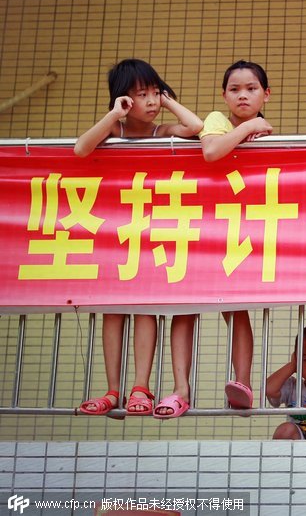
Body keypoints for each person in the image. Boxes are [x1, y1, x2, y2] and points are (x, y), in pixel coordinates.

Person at [75, 58, 203, 418]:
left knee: (145, 307)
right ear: (124, 100)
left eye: (154, 93)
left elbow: (195, 127)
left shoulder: (159, 132)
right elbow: (81, 148)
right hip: (117, 233)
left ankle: (140, 387)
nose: (150, 101)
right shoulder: (113, 134)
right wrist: (114, 115)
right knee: (113, 311)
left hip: (154, 234)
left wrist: (168, 101)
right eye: (141, 95)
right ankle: (112, 390)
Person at [196, 60, 274, 410]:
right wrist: (249, 129)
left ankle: (241, 382)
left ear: (266, 95)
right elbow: (211, 151)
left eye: (251, 88)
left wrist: (257, 130)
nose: (243, 95)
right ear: (224, 96)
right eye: (235, 89)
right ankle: (182, 388)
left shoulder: (267, 132)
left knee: (237, 306)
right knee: (188, 304)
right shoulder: (217, 120)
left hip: (245, 226)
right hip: (206, 222)